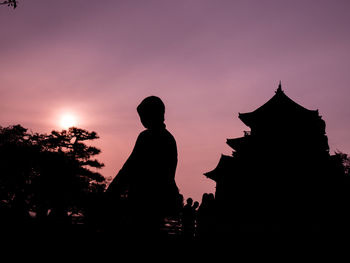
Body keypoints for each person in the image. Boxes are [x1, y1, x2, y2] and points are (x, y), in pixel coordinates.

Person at [107, 96, 181, 237]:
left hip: (143, 197)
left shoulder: (147, 137)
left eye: (143, 116)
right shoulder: (169, 139)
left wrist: (112, 189)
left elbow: (129, 167)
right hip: (159, 199)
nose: (141, 120)